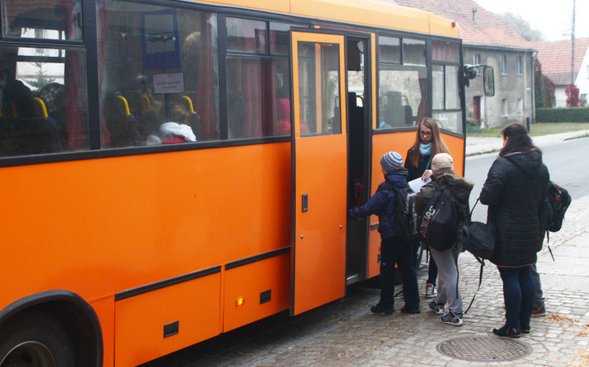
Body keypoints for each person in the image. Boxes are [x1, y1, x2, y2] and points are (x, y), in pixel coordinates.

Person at [480, 123, 549, 338]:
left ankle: (512, 325)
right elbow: (542, 199)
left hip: (507, 230)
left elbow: (487, 197)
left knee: (510, 275)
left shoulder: (503, 165)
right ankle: (525, 322)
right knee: (525, 273)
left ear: (508, 139)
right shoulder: (540, 166)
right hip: (531, 229)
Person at [349, 151, 420, 315]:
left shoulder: (386, 189)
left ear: (386, 169)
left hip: (391, 236)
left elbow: (368, 208)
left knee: (387, 269)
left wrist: (349, 213)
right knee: (407, 269)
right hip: (407, 234)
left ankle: (386, 304)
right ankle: (413, 304)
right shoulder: (405, 184)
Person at [415, 153, 473, 326]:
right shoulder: (460, 187)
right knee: (446, 268)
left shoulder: (431, 189)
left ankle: (456, 312)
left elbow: (419, 204)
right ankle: (439, 302)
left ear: (434, 169)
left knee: (448, 272)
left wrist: (425, 181)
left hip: (438, 235)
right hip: (457, 234)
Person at [405, 117, 450, 299]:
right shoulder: (413, 151)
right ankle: (412, 284)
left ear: (434, 134)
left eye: (428, 133)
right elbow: (406, 175)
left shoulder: (441, 153)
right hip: (417, 201)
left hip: (434, 204)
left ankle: (431, 281)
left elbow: (449, 178)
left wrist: (434, 173)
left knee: (433, 245)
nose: (424, 136)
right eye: (422, 133)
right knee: (413, 242)